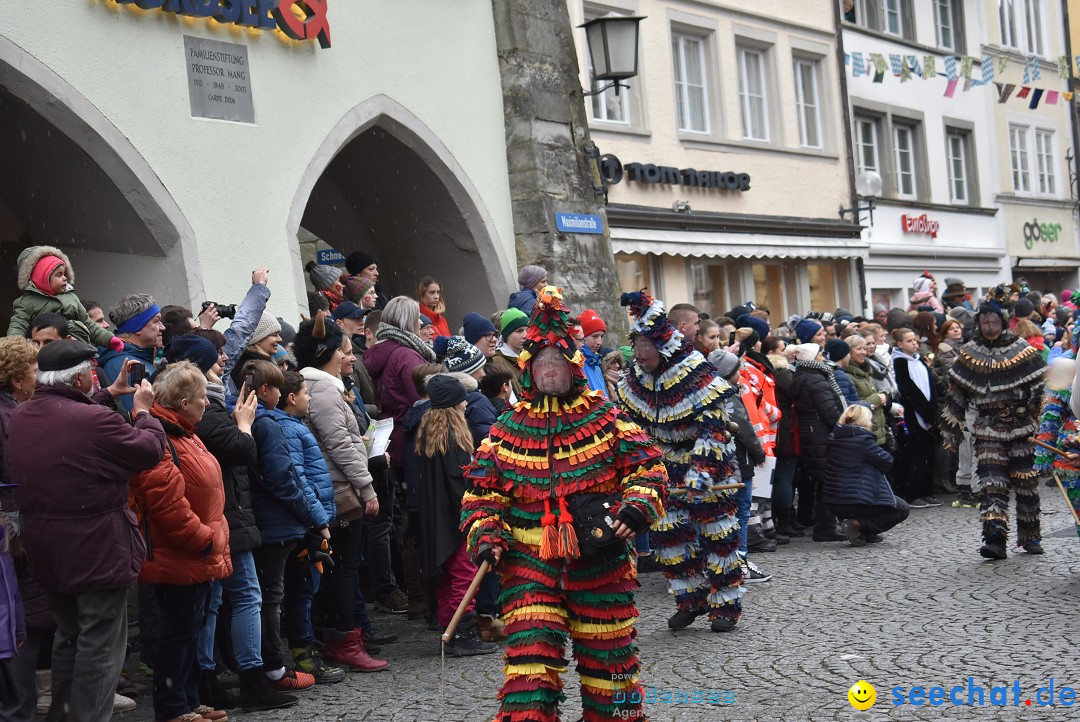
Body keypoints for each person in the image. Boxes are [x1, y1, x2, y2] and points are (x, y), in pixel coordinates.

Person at [461, 286, 666, 721]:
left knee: (611, 669)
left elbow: (649, 468)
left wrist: (637, 505)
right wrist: (487, 535)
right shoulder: (504, 430)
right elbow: (482, 494)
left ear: (572, 367)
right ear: (528, 369)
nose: (549, 370)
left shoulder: (606, 419)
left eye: (557, 362)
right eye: (541, 363)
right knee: (530, 669)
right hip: (529, 564)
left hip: (599, 561)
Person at [10, 340, 164, 722]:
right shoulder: (92, 420)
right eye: (91, 374)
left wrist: (108, 395)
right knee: (100, 646)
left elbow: (73, 423)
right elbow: (147, 451)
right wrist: (143, 412)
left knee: (70, 637)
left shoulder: (22, 415)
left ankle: (64, 716)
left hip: (47, 545)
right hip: (96, 546)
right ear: (80, 377)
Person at [161, 335, 301, 712]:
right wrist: (243, 424)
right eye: (215, 358)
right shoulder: (205, 412)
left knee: (218, 601)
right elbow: (242, 451)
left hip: (225, 519)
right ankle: (249, 678)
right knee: (244, 596)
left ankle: (208, 680)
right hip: (221, 522)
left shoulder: (205, 406)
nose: (224, 361)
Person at [617, 290, 743, 632]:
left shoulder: (695, 373)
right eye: (637, 344)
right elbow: (634, 431)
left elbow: (715, 429)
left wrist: (700, 474)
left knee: (719, 535)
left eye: (647, 345)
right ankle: (691, 599)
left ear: (664, 346)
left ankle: (725, 604)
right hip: (663, 468)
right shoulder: (634, 381)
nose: (640, 353)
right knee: (668, 536)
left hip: (709, 464)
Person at [130, 361, 232, 722]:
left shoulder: (185, 433)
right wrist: (205, 539)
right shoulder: (161, 437)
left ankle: (189, 700)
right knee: (178, 632)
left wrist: (213, 537)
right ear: (184, 401)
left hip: (196, 552)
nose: (208, 403)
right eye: (202, 396)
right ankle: (173, 708)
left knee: (190, 629)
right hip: (179, 553)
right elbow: (167, 504)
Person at [293, 314, 387, 671]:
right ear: (330, 353)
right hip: (339, 491)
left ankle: (337, 638)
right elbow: (340, 445)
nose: (351, 357)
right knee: (343, 569)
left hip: (332, 486)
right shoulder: (325, 389)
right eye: (346, 351)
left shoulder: (317, 386)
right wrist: (366, 487)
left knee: (335, 570)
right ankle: (345, 641)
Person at [942, 293, 1048, 559]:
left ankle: (1030, 536)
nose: (989, 327)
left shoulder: (1022, 349)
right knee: (992, 483)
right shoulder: (969, 354)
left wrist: (1039, 412)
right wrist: (951, 429)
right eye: (985, 322)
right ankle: (995, 538)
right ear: (979, 323)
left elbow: (1039, 386)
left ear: (1003, 322)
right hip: (988, 428)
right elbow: (956, 394)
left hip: (1022, 427)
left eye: (994, 322)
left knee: (1025, 483)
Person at [414, 375, 499, 656]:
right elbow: (460, 483)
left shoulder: (430, 435)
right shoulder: (454, 440)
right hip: (455, 519)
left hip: (435, 518)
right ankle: (461, 632)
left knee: (448, 577)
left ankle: (449, 629)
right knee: (464, 574)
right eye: (462, 399)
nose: (466, 404)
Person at [823, 405, 910, 546]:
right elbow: (887, 461)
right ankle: (858, 525)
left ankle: (863, 531)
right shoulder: (863, 441)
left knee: (872, 498)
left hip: (835, 500)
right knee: (902, 508)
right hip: (855, 500)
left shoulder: (834, 439)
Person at [6, 245, 122, 351]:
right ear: (42, 277)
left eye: (64, 274)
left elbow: (88, 323)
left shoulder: (71, 297)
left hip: (79, 349)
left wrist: (109, 339)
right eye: (59, 275)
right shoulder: (26, 303)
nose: (65, 278)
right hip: (48, 354)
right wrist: (13, 348)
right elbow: (17, 326)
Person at [789, 342, 845, 541]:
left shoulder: (802, 375)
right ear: (813, 358)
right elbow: (829, 411)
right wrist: (843, 423)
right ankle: (826, 527)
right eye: (820, 354)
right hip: (821, 436)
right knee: (828, 482)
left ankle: (824, 524)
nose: (823, 357)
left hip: (813, 435)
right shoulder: (816, 379)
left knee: (821, 482)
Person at [891, 328, 939, 508]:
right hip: (912, 414)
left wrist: (931, 410)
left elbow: (929, 386)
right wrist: (924, 409)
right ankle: (912, 492)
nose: (915, 344)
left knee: (927, 453)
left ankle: (926, 490)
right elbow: (908, 390)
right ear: (900, 344)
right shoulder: (899, 363)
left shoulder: (920, 361)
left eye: (915, 340)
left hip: (926, 413)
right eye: (910, 341)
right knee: (914, 455)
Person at [97, 294, 165, 414]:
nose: (162, 327)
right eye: (156, 321)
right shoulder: (124, 365)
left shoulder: (141, 356)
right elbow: (135, 417)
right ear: (137, 327)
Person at [491, 307, 528, 399]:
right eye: (519, 331)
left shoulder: (528, 356)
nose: (525, 335)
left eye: (527, 330)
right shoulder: (498, 361)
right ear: (507, 335)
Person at [577, 308, 607, 396]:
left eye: (601, 336)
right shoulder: (577, 364)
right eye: (595, 336)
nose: (599, 342)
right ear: (582, 337)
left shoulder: (596, 363)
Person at [824, 339, 859, 405]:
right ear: (842, 355)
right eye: (848, 353)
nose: (849, 356)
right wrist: (867, 405)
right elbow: (843, 403)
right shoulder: (838, 375)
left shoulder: (834, 372)